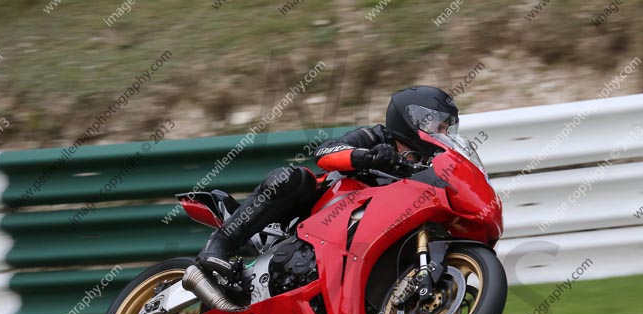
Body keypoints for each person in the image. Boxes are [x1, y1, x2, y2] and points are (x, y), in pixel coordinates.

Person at [197, 85, 459, 280]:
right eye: (439, 125)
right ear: (412, 119)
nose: (444, 133)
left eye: (448, 128)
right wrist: (367, 156)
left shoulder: (430, 164)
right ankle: (220, 244)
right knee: (294, 178)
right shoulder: (376, 137)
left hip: (365, 235)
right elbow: (326, 153)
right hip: (314, 212)